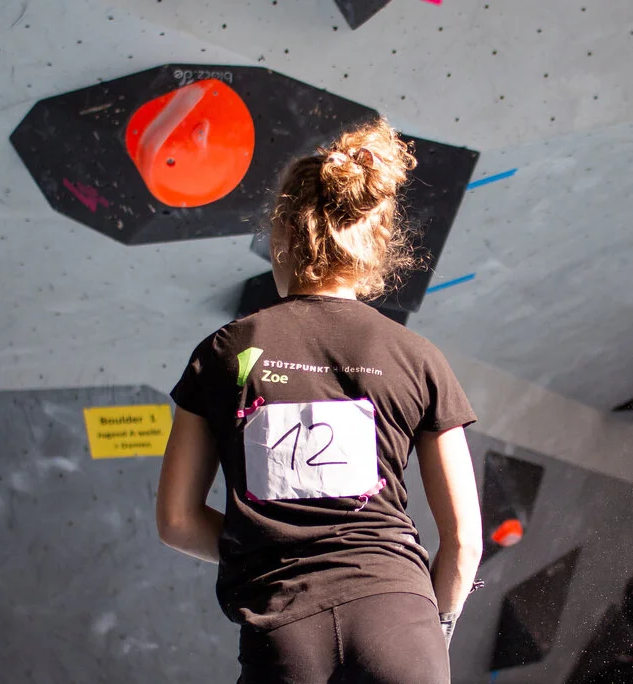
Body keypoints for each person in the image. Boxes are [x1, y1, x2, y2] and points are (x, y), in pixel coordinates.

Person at [155, 118, 483, 684]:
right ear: (376, 245)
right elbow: (463, 539)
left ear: (282, 238)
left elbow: (177, 521)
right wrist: (438, 625)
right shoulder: (417, 356)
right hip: (401, 621)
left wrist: (265, 552)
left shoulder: (225, 350)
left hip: (283, 629)